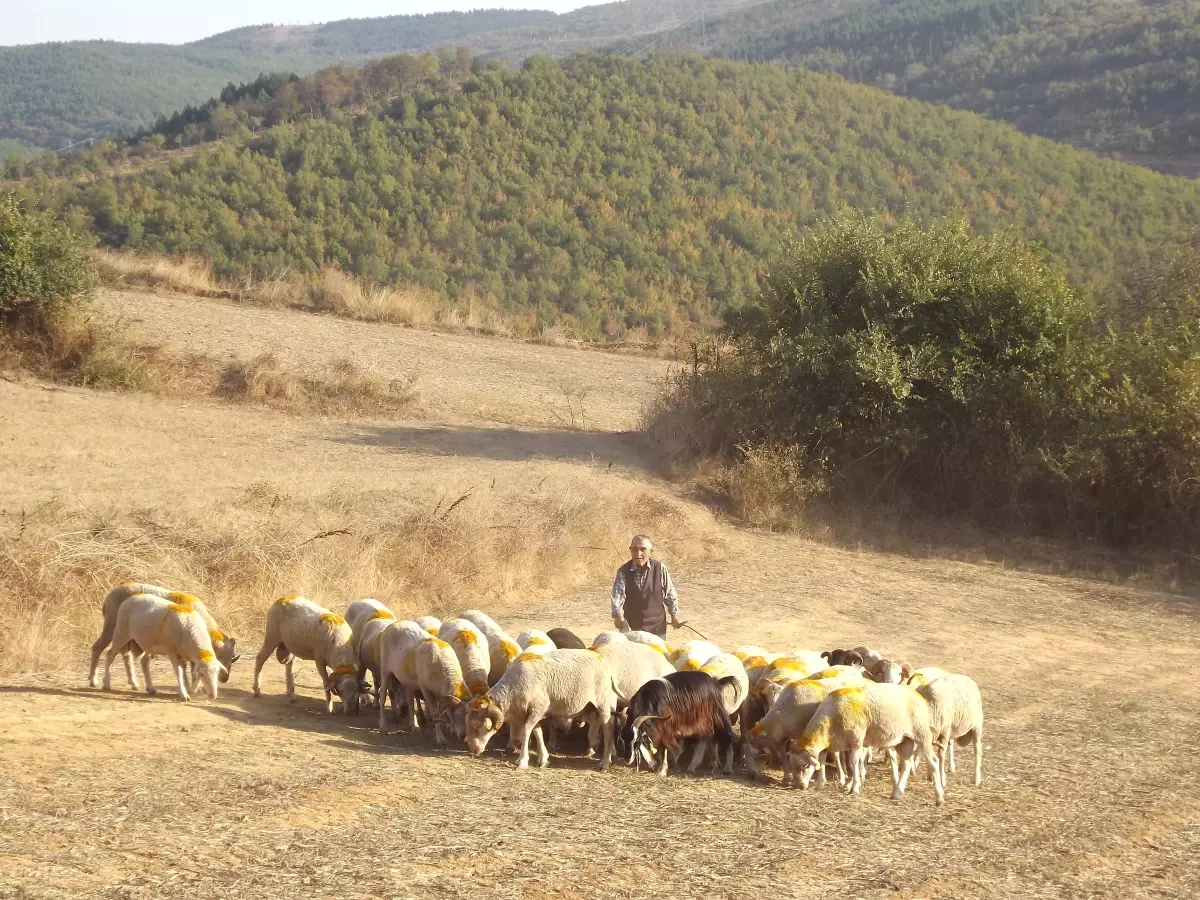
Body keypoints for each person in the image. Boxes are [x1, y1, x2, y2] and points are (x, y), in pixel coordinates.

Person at [610, 534, 682, 638]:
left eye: (643, 549)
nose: (638, 553)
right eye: (634, 549)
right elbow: (617, 596)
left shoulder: (660, 568)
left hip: (657, 627)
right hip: (632, 628)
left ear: (650, 551)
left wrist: (674, 615)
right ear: (630, 550)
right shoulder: (623, 572)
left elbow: (670, 593)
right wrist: (618, 616)